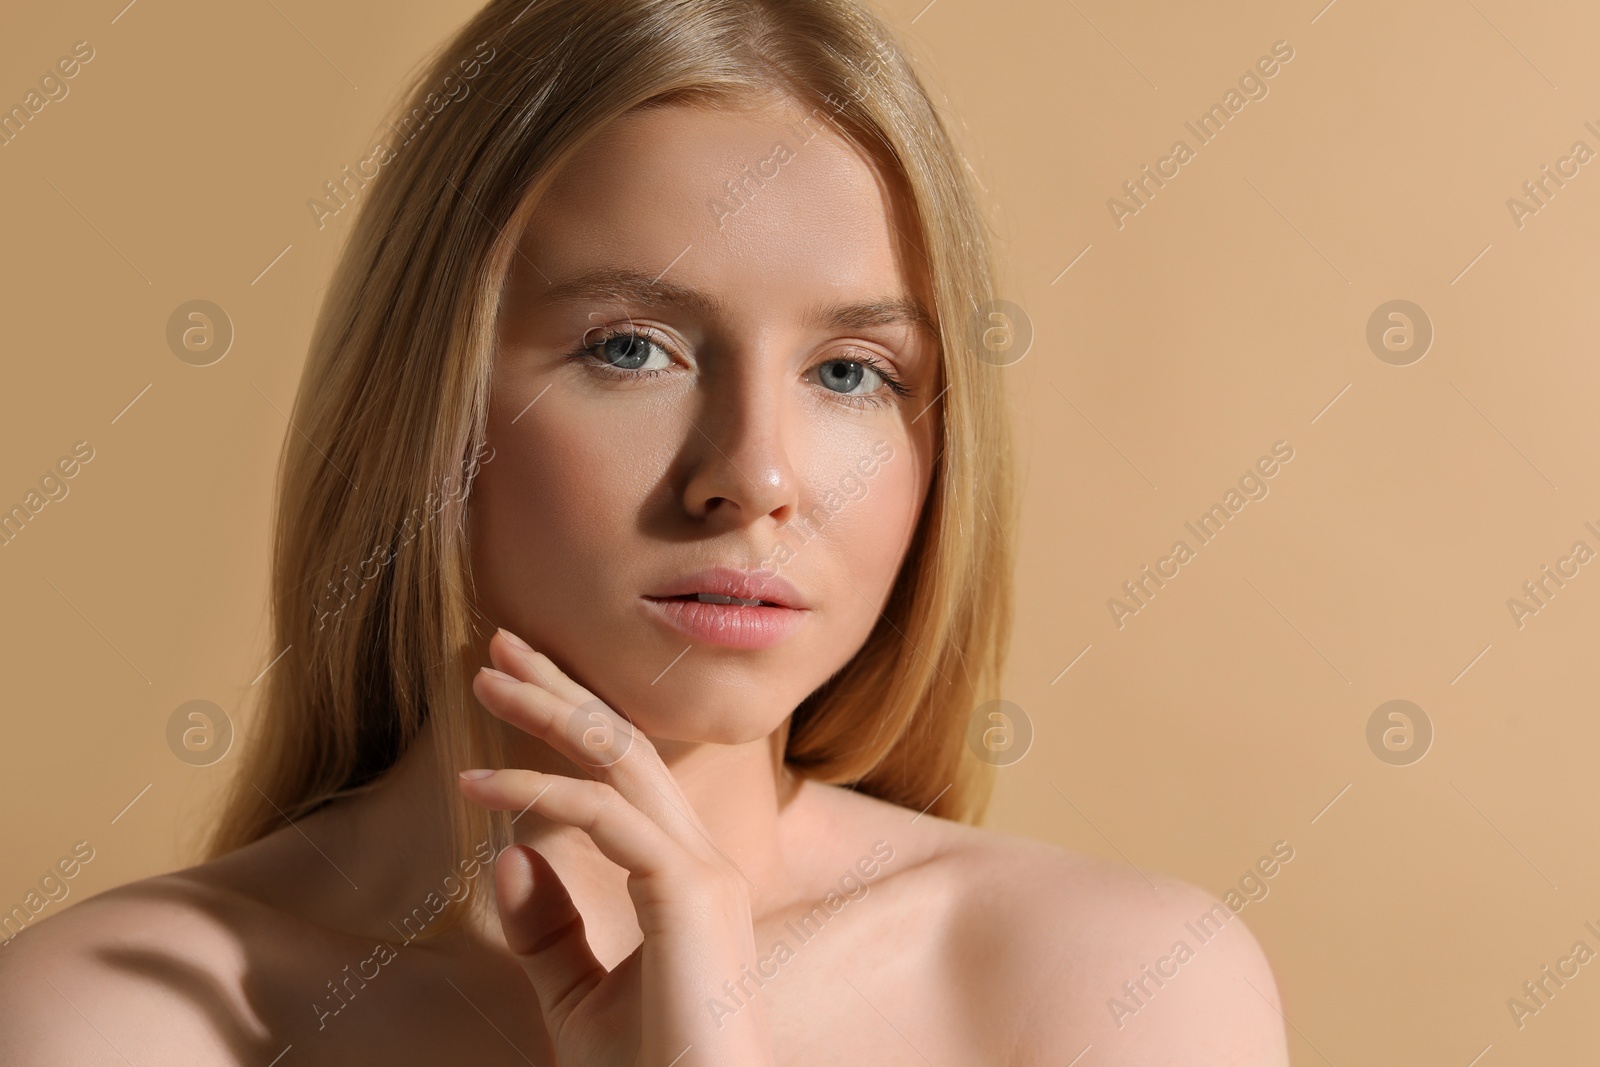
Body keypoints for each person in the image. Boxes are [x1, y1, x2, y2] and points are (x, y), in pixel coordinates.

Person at [0, 0, 1288, 1062]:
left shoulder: (1122, 994)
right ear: (427, 401)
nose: (757, 477)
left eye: (851, 371)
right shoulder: (109, 1019)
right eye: (633, 348)